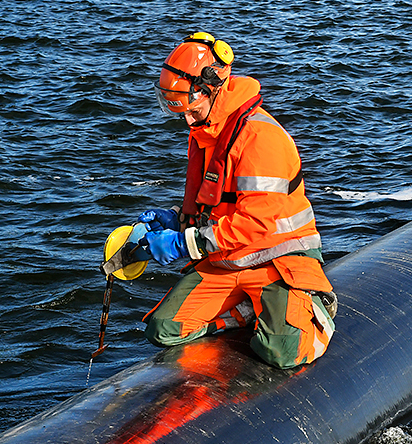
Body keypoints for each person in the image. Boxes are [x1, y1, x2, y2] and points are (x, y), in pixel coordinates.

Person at [139, 32, 336, 369]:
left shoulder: (261, 138)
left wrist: (182, 244)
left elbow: (254, 224)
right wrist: (177, 219)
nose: (185, 119)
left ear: (210, 89)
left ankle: (315, 308)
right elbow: (216, 202)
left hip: (278, 260)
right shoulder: (205, 133)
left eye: (191, 109)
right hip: (228, 260)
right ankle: (245, 312)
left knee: (282, 352)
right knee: (163, 329)